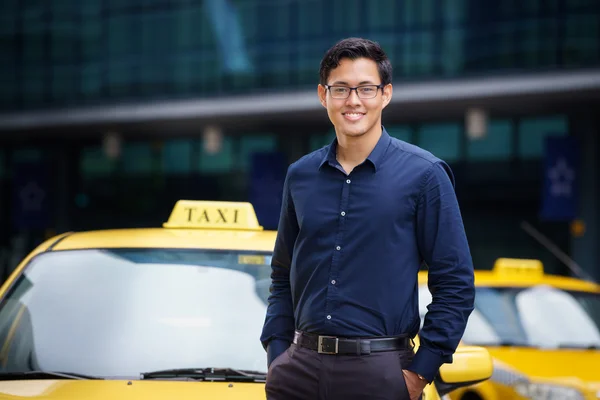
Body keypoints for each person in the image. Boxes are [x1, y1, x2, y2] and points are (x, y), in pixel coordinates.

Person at [260, 37, 475, 400]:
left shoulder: (424, 175)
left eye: (366, 88)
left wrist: (418, 374)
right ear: (323, 95)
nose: (353, 100)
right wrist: (278, 355)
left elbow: (454, 282)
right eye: (340, 89)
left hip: (382, 375)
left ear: (386, 94)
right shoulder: (300, 175)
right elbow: (282, 273)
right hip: (298, 373)